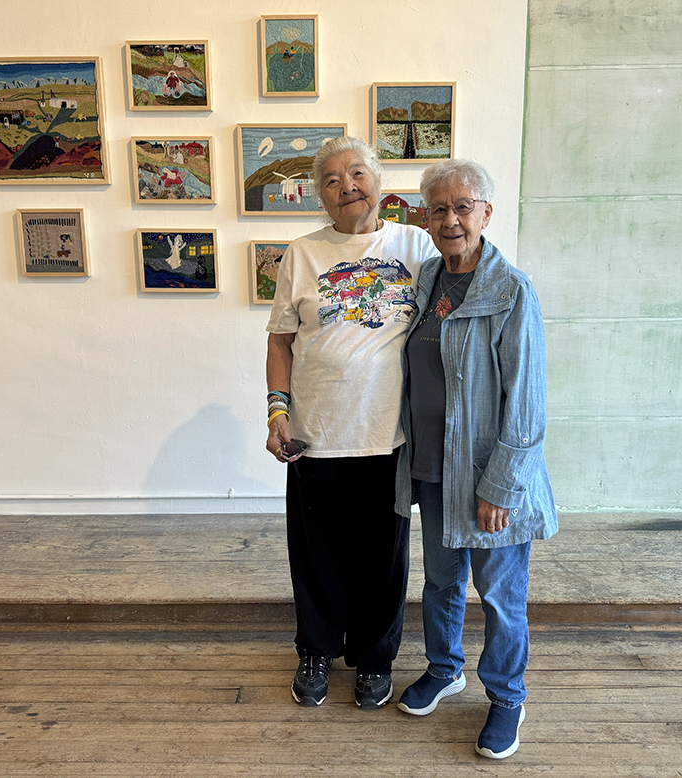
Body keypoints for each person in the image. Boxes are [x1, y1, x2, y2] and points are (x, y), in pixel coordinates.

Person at [265, 136, 435, 709]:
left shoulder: (416, 244)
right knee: (316, 554)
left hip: (389, 434)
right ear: (319, 195)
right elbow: (280, 341)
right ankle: (316, 650)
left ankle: (374, 657)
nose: (347, 187)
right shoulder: (303, 253)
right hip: (315, 432)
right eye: (332, 180)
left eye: (357, 173)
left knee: (383, 558)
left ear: (379, 180)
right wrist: (277, 410)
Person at [395, 159, 557, 758]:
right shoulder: (427, 278)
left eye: (463, 207)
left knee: (499, 597)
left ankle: (507, 698)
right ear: (426, 219)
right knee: (441, 582)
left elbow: (527, 403)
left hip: (490, 480)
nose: (451, 220)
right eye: (439, 209)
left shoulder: (510, 290)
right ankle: (445, 669)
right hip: (434, 469)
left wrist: (502, 486)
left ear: (486, 212)